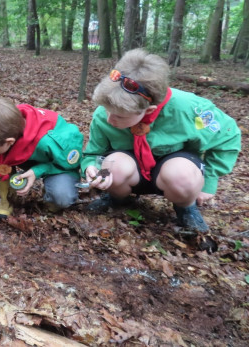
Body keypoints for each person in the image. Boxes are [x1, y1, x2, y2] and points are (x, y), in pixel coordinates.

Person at [81, 48, 241, 233]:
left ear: (148, 110)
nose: (109, 119)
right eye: (106, 111)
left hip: (174, 169)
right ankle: (119, 199)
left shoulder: (190, 110)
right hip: (130, 170)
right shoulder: (109, 108)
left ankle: (185, 206)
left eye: (119, 116)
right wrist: (90, 166)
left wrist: (209, 181)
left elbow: (228, 136)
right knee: (112, 166)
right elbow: (93, 152)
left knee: (181, 176)